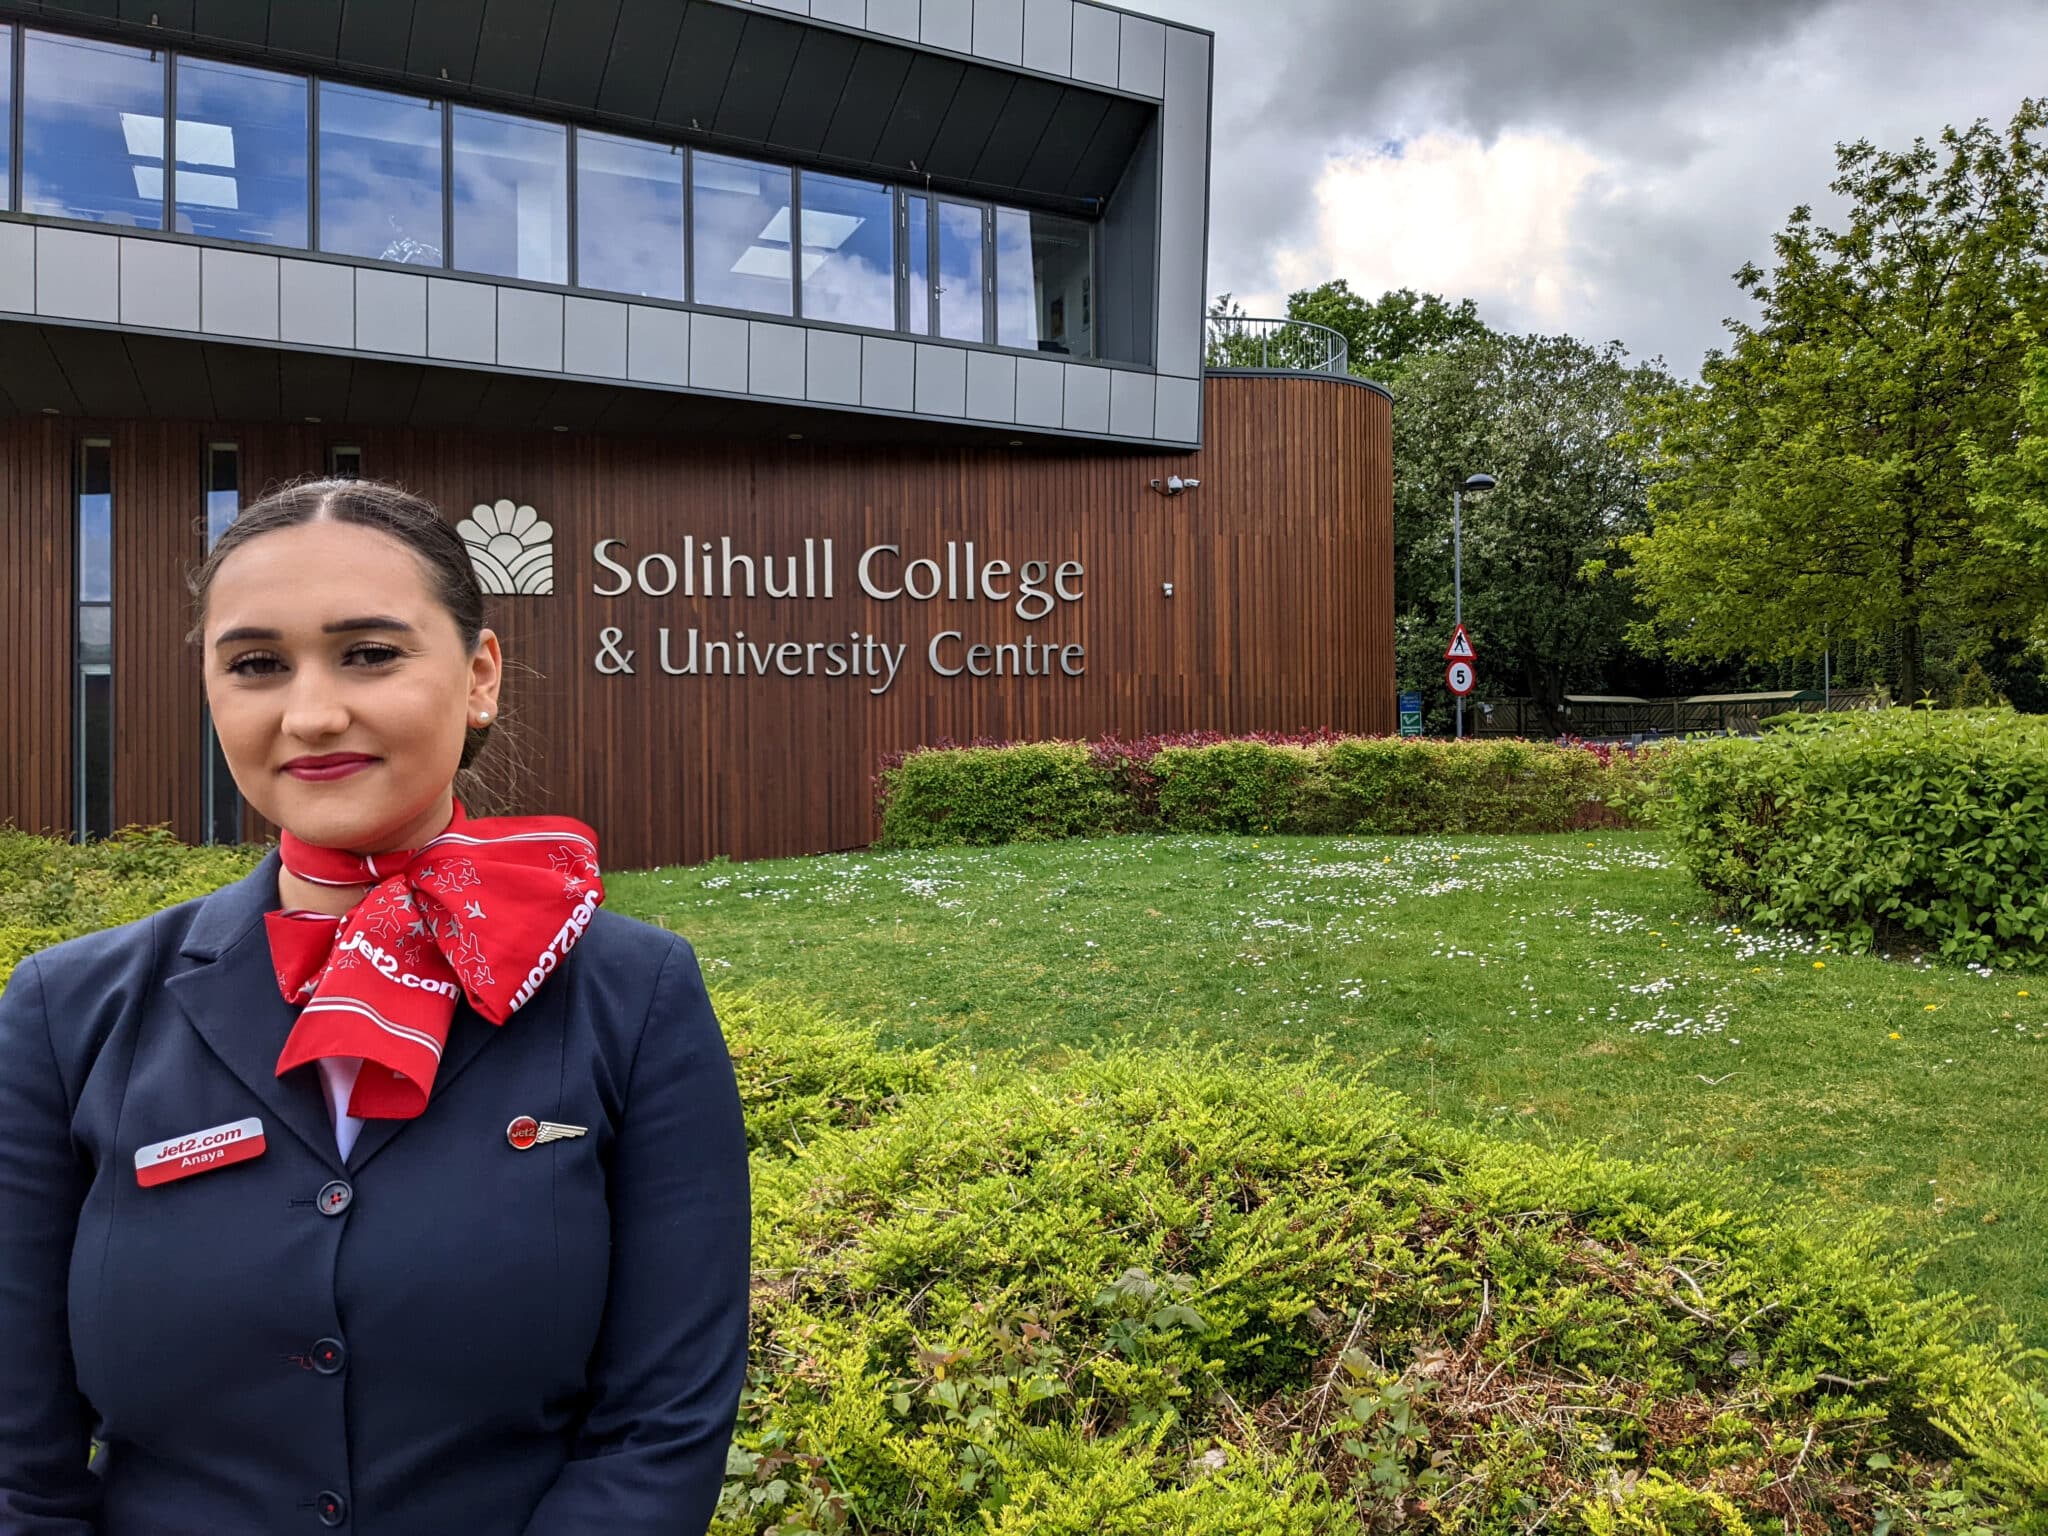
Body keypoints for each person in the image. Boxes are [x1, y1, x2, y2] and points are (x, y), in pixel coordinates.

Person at [0, 478, 751, 1535]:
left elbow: (660, 1430)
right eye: (257, 664)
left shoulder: (635, 998)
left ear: (478, 675)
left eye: (369, 653)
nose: (311, 712)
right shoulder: (62, 1013)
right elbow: (17, 1465)